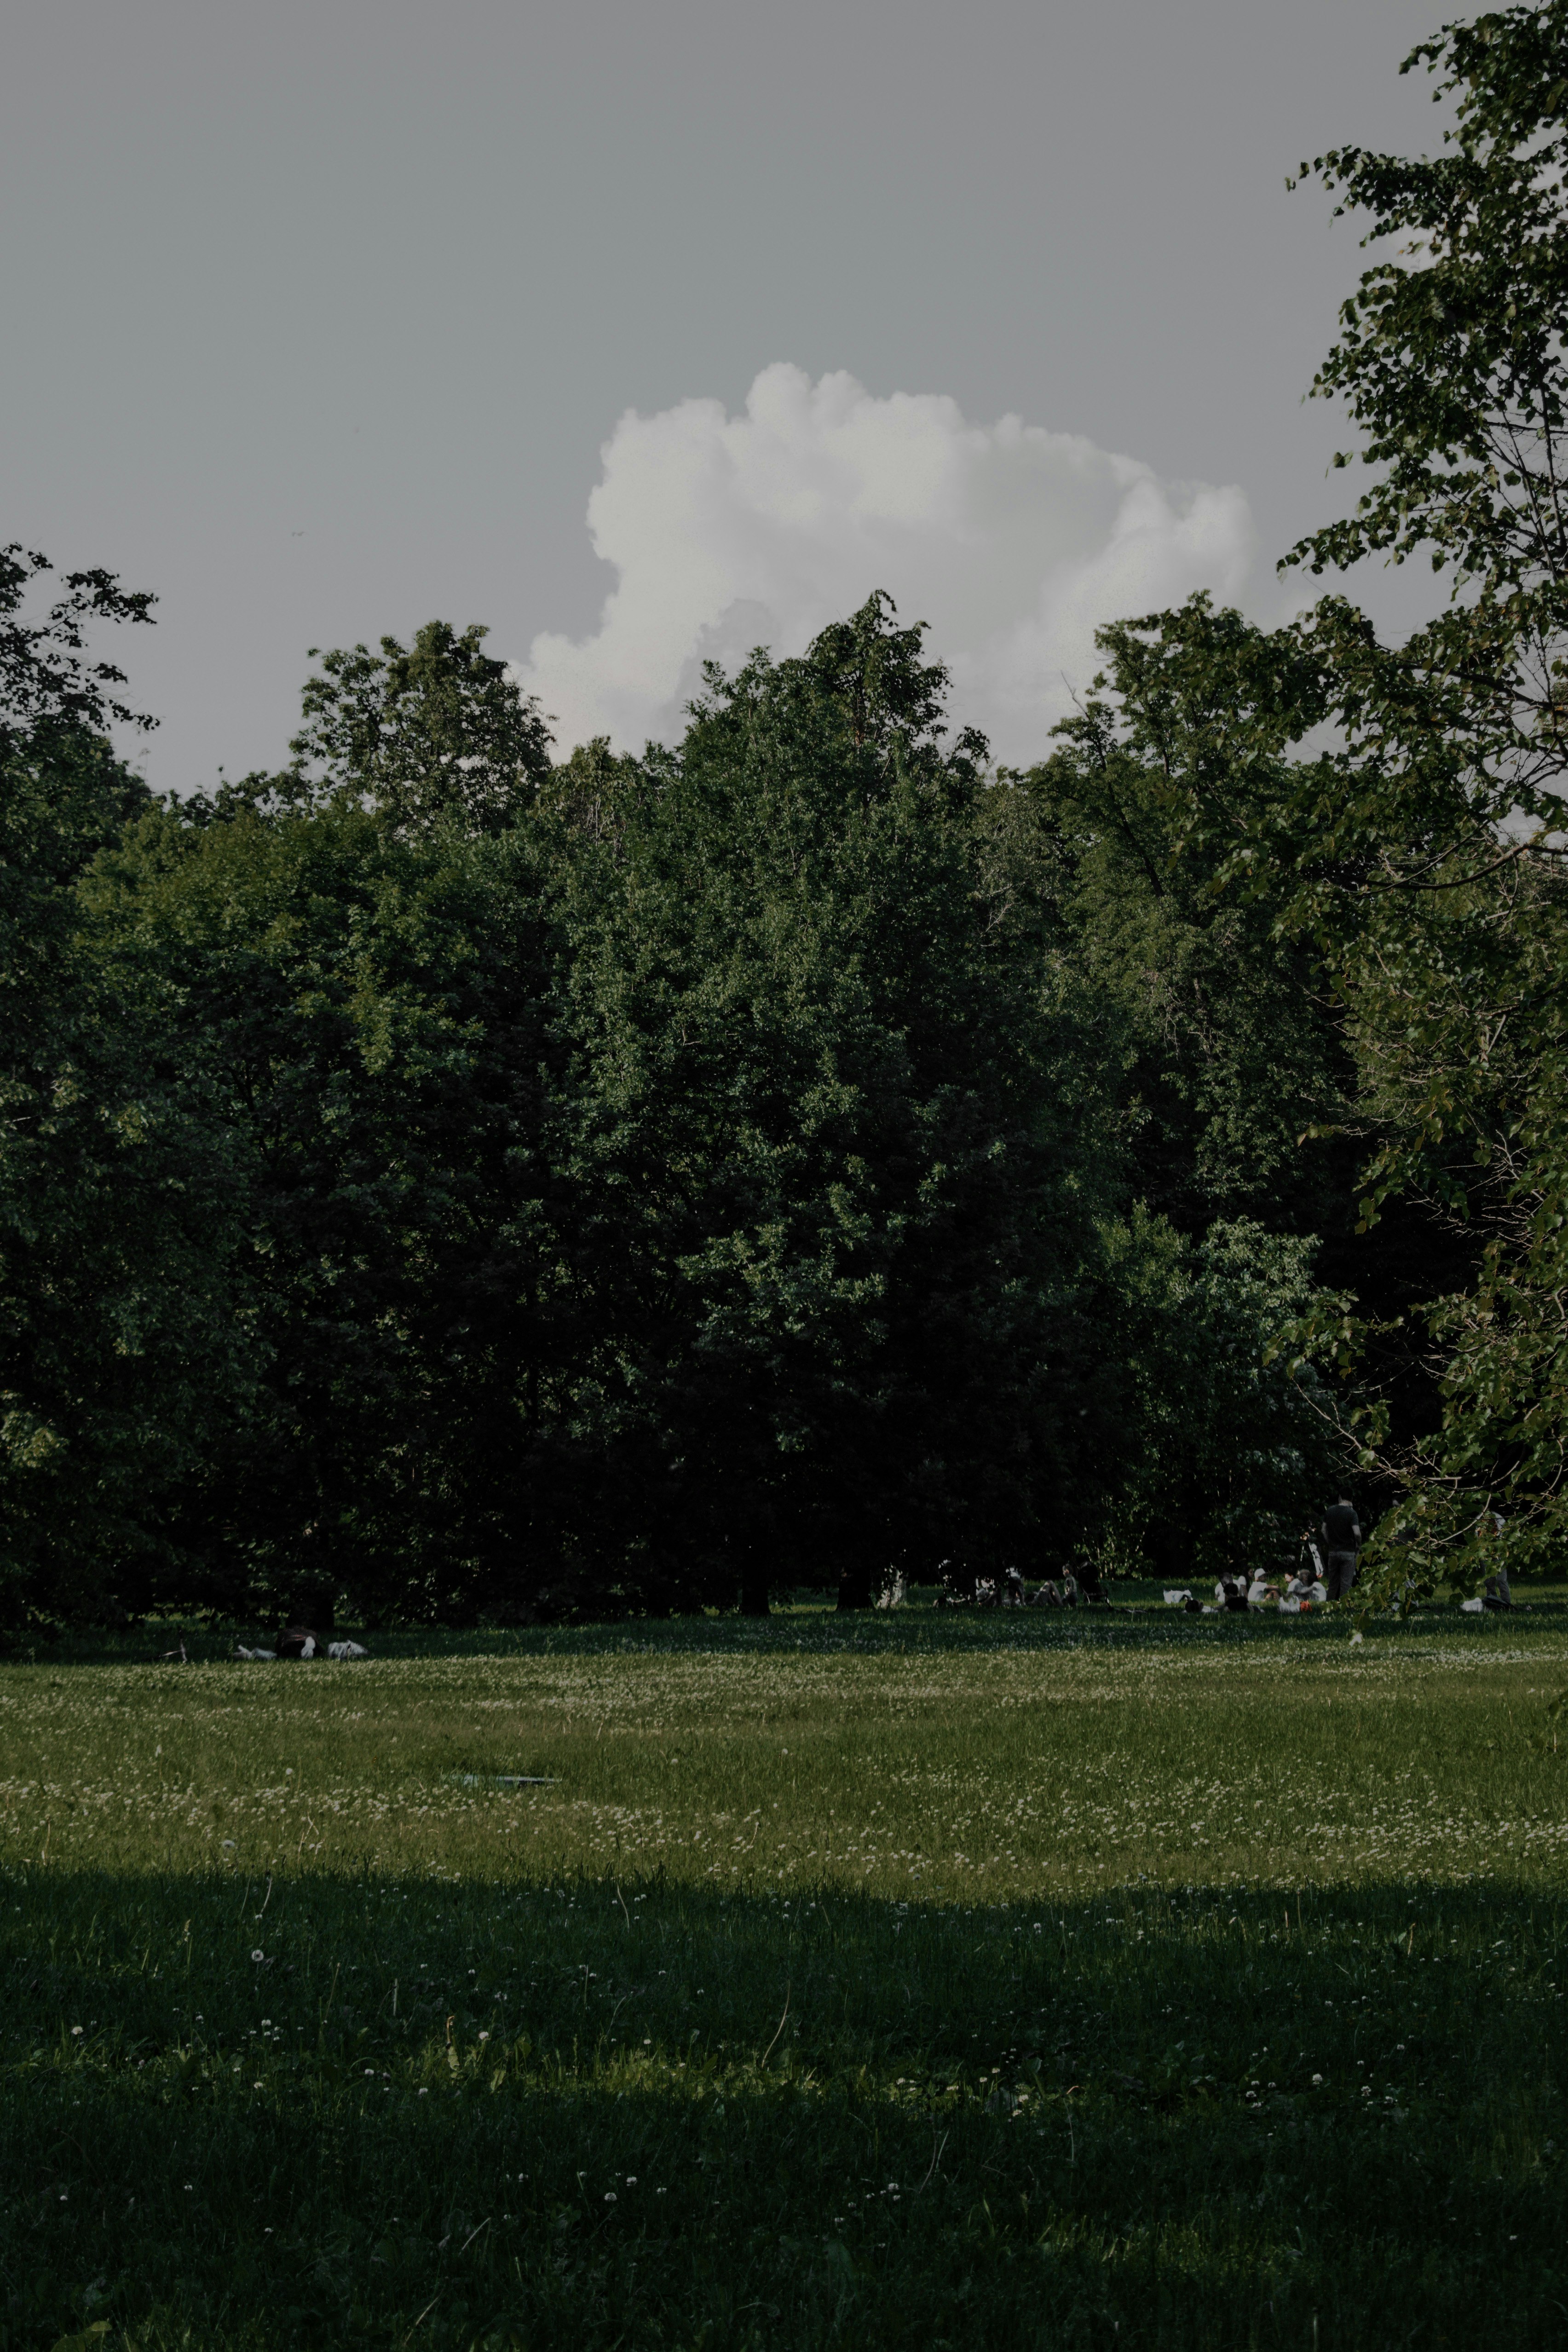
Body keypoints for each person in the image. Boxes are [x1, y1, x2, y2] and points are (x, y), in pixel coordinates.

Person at [1319, 1497, 1362, 1601]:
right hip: (1348, 1552)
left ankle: (1328, 1607)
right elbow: (1357, 1533)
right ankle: (1343, 1608)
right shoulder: (1352, 1513)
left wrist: (1330, 1543)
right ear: (1352, 1498)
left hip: (1333, 1552)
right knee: (1346, 1583)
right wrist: (1359, 1546)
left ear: (1340, 1497)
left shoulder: (1330, 1511)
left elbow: (1324, 1530)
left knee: (1333, 1583)